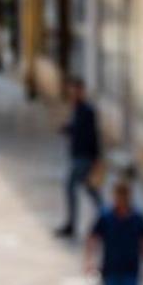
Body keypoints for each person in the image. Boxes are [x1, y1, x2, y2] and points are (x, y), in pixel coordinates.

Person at [56, 76, 103, 238]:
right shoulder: (76, 109)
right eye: (72, 90)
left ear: (82, 91)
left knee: (70, 186)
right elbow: (76, 129)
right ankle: (106, 218)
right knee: (92, 191)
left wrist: (97, 158)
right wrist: (66, 129)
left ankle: (72, 225)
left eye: (77, 90)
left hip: (84, 157)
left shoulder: (87, 111)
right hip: (77, 155)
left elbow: (93, 135)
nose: (74, 93)